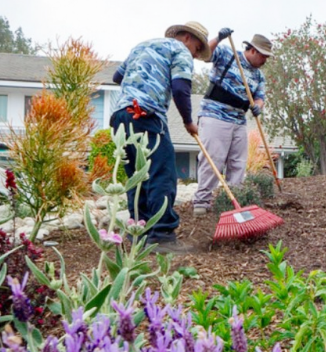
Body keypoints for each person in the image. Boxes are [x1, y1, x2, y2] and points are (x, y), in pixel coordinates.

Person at [110, 21, 210, 253]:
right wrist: (188, 121)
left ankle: (140, 233)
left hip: (120, 117)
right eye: (197, 49)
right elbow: (180, 88)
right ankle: (162, 236)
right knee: (162, 173)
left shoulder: (142, 46)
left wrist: (141, 80)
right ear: (187, 38)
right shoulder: (180, 51)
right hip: (146, 115)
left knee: (137, 176)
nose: (194, 55)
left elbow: (117, 76)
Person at [192, 30, 272, 215]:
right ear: (252, 50)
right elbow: (205, 55)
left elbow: (259, 97)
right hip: (215, 115)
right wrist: (218, 38)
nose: (265, 61)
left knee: (238, 162)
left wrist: (258, 106)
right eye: (264, 56)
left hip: (239, 119)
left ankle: (233, 200)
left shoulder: (259, 76)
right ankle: (202, 202)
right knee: (214, 158)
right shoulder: (228, 54)